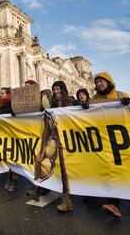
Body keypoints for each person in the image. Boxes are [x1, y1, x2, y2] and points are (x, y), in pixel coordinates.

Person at [90, 72, 130, 218]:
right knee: (109, 172)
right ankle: (114, 204)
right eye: (96, 82)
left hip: (122, 138)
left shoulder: (121, 94)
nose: (99, 84)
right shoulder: (94, 100)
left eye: (101, 81)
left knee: (127, 170)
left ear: (108, 82)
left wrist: (128, 103)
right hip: (104, 139)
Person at [48, 81, 77, 212]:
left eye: (58, 89)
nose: (56, 91)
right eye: (54, 89)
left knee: (69, 170)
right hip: (57, 139)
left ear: (63, 90)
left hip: (71, 139)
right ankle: (67, 200)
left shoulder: (71, 101)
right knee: (62, 170)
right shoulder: (52, 104)